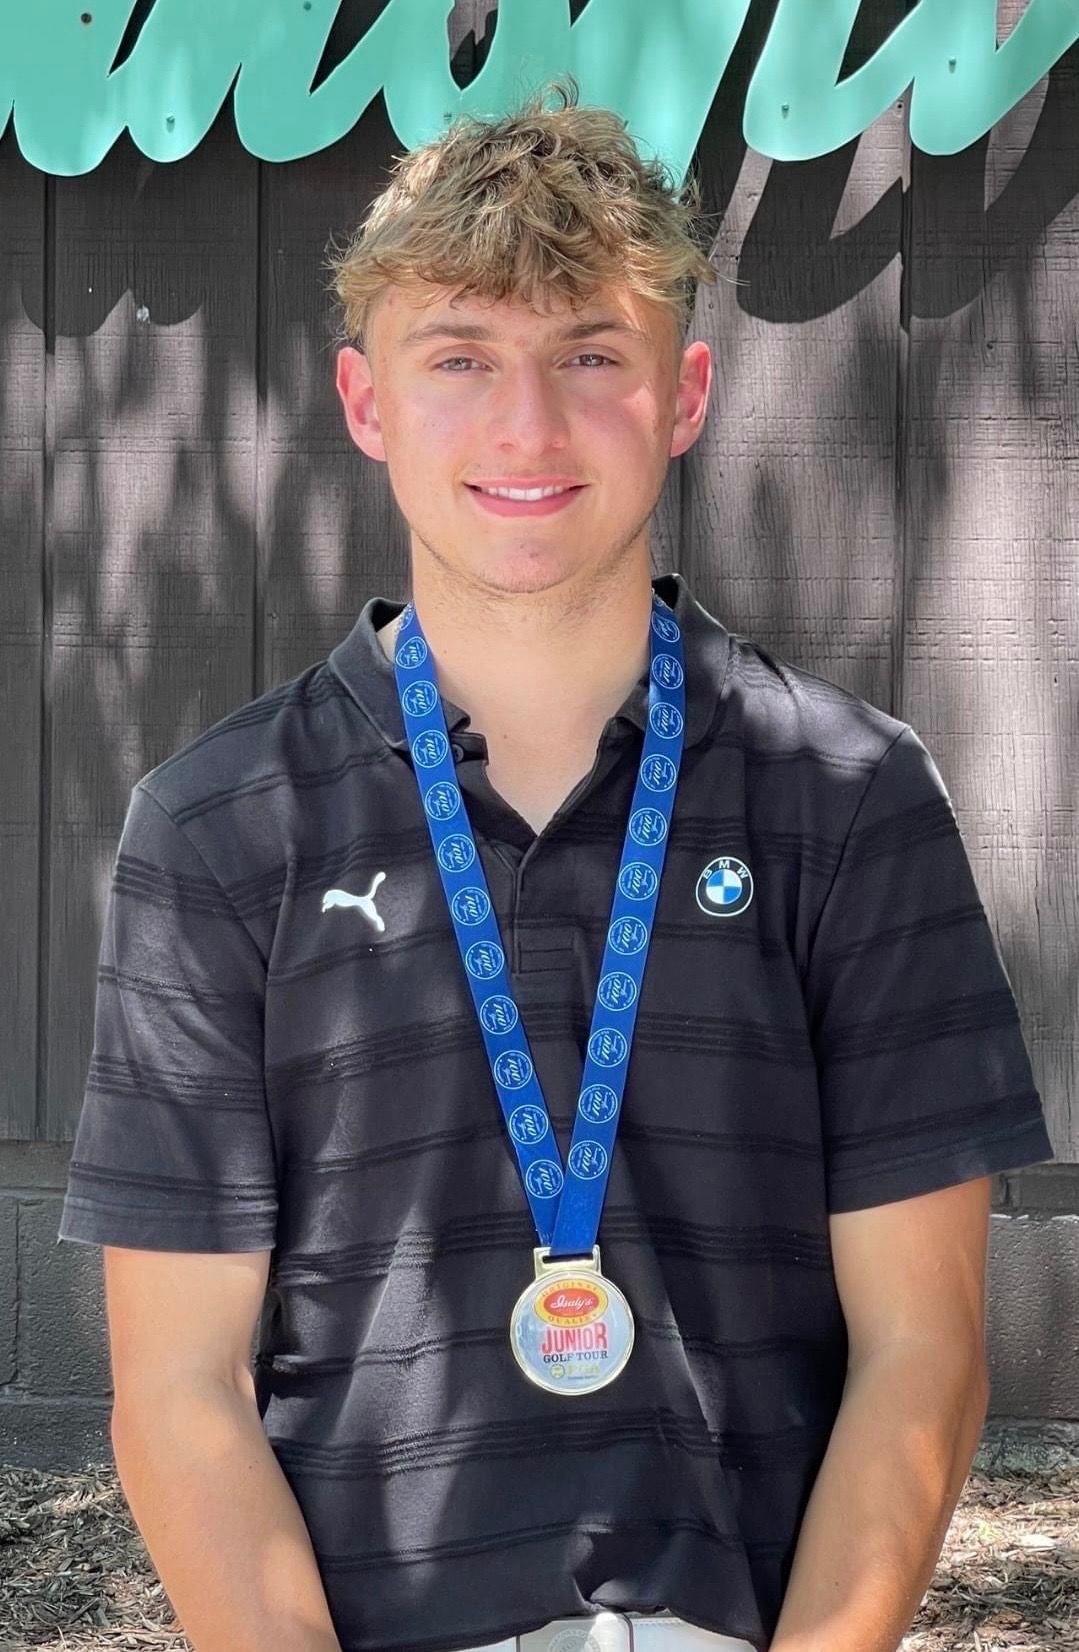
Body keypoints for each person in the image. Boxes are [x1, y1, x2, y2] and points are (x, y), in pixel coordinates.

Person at [58, 76, 1053, 1652]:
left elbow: (924, 1352)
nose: (527, 427)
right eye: (459, 358)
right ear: (366, 402)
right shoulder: (217, 823)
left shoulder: (853, 795)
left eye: (593, 354)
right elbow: (177, 1385)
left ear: (687, 392)